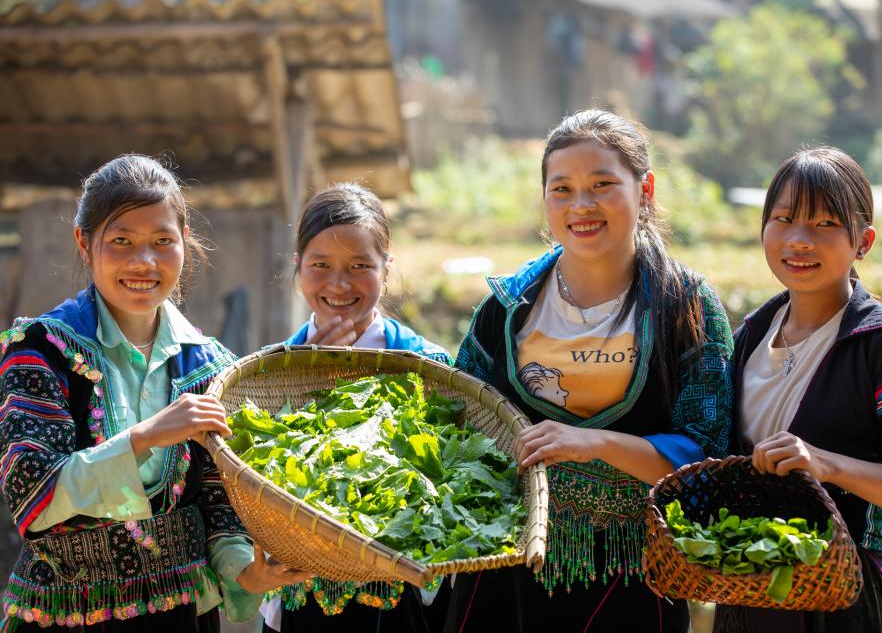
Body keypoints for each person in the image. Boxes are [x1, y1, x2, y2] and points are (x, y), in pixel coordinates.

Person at [447, 109, 734, 633]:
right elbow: (458, 422)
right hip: (500, 564)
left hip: (631, 576)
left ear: (644, 189)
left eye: (603, 184)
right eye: (562, 189)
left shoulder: (684, 307)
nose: (581, 205)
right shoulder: (507, 308)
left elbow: (707, 453)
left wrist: (595, 443)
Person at [0, 154, 309, 632]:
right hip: (65, 615)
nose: (143, 262)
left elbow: (218, 504)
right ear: (84, 243)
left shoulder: (212, 368)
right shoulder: (40, 350)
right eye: (121, 240)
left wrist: (248, 571)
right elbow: (30, 492)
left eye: (163, 241)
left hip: (182, 615)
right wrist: (146, 435)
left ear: (185, 244)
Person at [712, 147, 882, 633]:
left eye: (825, 224)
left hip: (845, 602)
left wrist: (824, 463)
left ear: (863, 241)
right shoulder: (748, 337)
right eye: (783, 219)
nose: (800, 240)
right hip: (747, 599)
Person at [261, 183, 452, 633]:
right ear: (298, 268)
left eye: (360, 266)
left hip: (404, 598)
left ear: (387, 269)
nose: (339, 284)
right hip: (302, 595)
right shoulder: (266, 377)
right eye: (320, 265)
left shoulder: (432, 369)